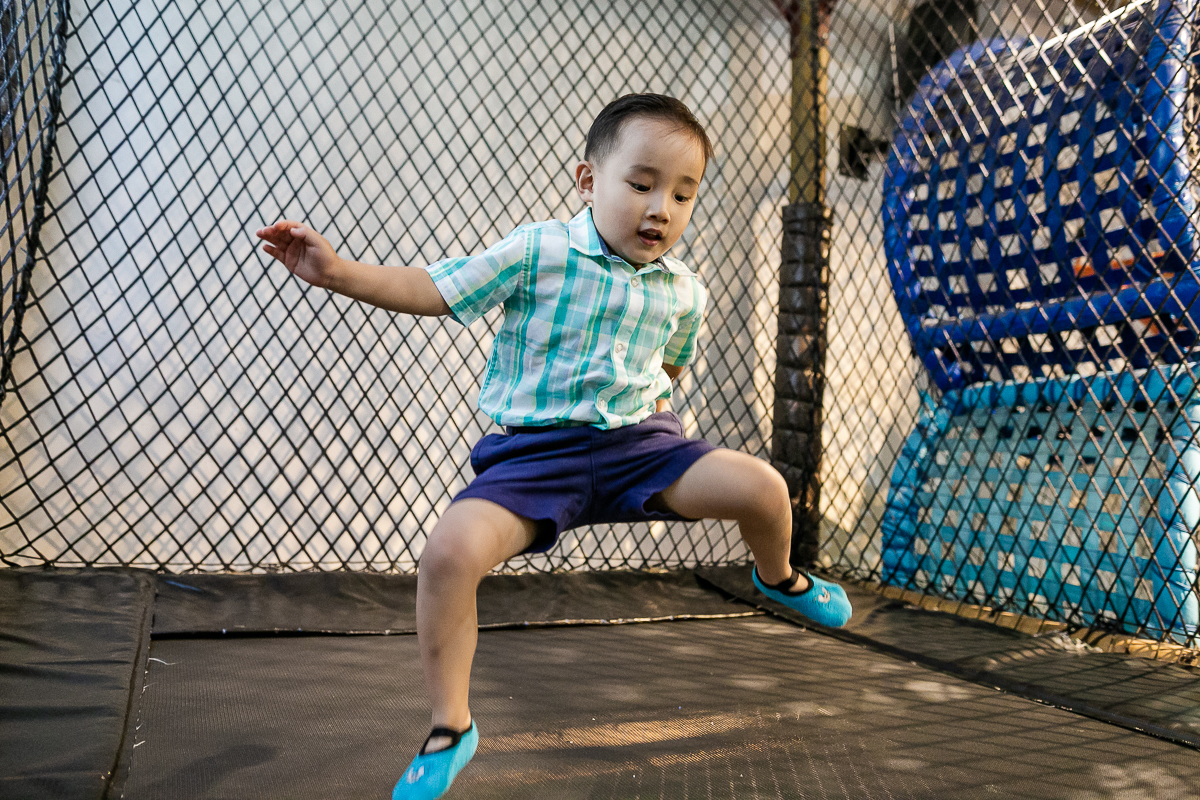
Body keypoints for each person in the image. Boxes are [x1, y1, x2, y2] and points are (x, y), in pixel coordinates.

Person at [255, 93, 852, 800]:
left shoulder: (684, 290)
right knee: (449, 552)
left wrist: (654, 413)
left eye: (683, 194)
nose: (661, 207)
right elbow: (435, 288)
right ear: (588, 181)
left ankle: (777, 577)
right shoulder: (538, 250)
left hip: (642, 448)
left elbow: (669, 366)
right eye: (641, 184)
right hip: (537, 461)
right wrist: (337, 272)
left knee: (764, 488)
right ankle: (452, 727)